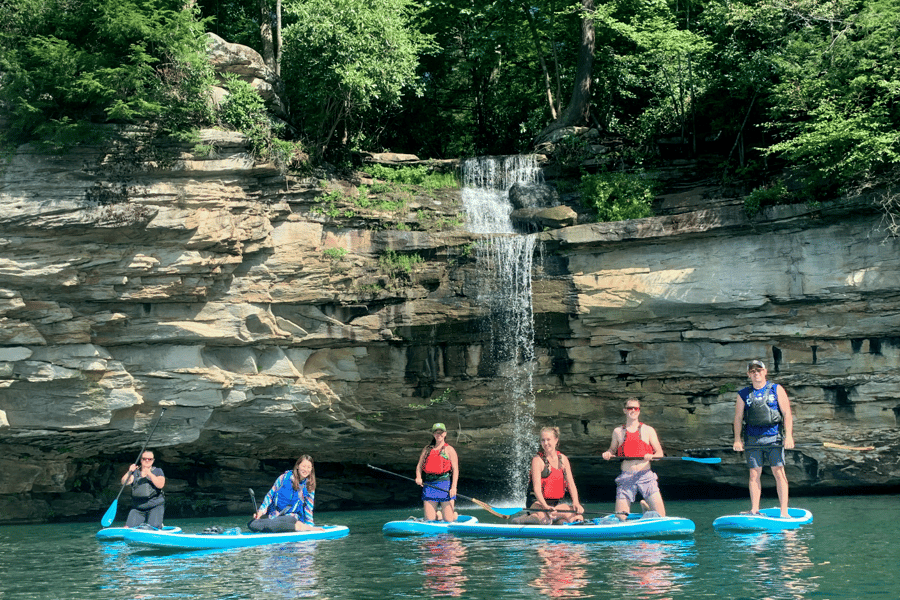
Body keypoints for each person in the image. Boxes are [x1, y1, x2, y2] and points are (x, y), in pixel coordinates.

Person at [733, 359, 794, 517]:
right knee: (754, 474)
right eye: (752, 371)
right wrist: (737, 440)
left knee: (779, 473)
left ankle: (784, 511)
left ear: (765, 372)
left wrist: (789, 437)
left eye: (759, 370)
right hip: (752, 439)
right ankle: (754, 509)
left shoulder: (776, 389)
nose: (756, 373)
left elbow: (787, 413)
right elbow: (738, 418)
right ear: (748, 374)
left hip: (774, 437)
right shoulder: (743, 394)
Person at [601, 398, 666, 521]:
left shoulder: (648, 430)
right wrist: (608, 453)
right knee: (621, 518)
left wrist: (652, 456)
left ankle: (647, 508)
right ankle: (643, 511)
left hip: (646, 476)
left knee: (661, 517)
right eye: (630, 408)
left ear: (639, 411)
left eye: (636, 408)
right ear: (624, 410)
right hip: (626, 477)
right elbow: (612, 450)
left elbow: (660, 453)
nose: (633, 410)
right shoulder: (617, 432)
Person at [513, 426, 584, 525]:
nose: (545, 443)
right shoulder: (537, 460)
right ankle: (522, 519)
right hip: (536, 502)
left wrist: (576, 502)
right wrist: (545, 506)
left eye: (548, 439)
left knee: (578, 517)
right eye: (543, 440)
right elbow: (537, 489)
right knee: (545, 521)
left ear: (556, 440)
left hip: (553, 504)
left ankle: (559, 520)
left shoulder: (563, 459)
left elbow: (571, 484)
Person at [249, 455, 322, 532]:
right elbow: (270, 496)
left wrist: (310, 526)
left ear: (311, 469)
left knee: (274, 524)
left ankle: (301, 527)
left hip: (292, 517)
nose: (306, 469)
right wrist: (260, 512)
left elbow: (308, 508)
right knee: (252, 524)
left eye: (308, 467)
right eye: (303, 466)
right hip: (275, 516)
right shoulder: (283, 478)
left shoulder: (309, 485)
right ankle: (281, 527)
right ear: (298, 466)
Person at [415, 423, 459, 522]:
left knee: (449, 520)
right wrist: (418, 477)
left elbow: (455, 469)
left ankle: (453, 515)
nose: (438, 435)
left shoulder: (449, 449)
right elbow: (419, 466)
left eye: (441, 432)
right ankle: (438, 515)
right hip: (429, 485)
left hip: (444, 484)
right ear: (433, 434)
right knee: (429, 519)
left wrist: (453, 487)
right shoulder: (427, 449)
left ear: (445, 434)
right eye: (436, 432)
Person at [121, 449, 166, 528]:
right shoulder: (135, 472)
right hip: (138, 507)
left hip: (155, 505)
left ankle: (158, 525)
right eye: (144, 459)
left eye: (150, 459)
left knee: (153, 527)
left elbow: (160, 485)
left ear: (153, 460)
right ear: (141, 460)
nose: (147, 461)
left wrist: (149, 474)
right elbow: (124, 482)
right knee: (127, 528)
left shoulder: (158, 471)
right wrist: (129, 471)